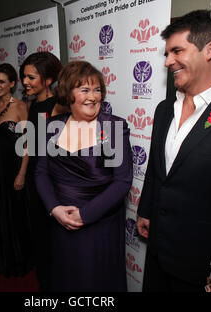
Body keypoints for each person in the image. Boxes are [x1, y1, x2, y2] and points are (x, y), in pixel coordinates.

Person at [136, 10, 211, 292]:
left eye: (177, 51)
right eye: (166, 53)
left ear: (209, 49)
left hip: (202, 268)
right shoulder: (165, 110)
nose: (167, 62)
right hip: (157, 256)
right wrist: (145, 210)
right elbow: (156, 168)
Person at [35, 61, 133, 291]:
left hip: (99, 224)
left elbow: (122, 181)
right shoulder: (49, 126)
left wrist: (85, 215)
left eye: (97, 89)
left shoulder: (113, 128)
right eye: (85, 90)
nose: (93, 97)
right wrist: (54, 209)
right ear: (69, 93)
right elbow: (40, 173)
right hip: (61, 222)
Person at [19, 51, 68, 291]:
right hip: (33, 178)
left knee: (54, 238)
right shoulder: (33, 104)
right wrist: (22, 173)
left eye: (31, 77)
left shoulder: (58, 106)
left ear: (48, 80)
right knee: (37, 233)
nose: (25, 82)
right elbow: (30, 141)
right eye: (24, 76)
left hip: (51, 180)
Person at [0, 63, 33, 278]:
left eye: (2, 81)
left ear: (13, 83)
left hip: (14, 168)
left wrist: (22, 174)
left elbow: (27, 144)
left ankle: (18, 260)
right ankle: (2, 258)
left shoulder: (21, 107)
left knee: (15, 213)